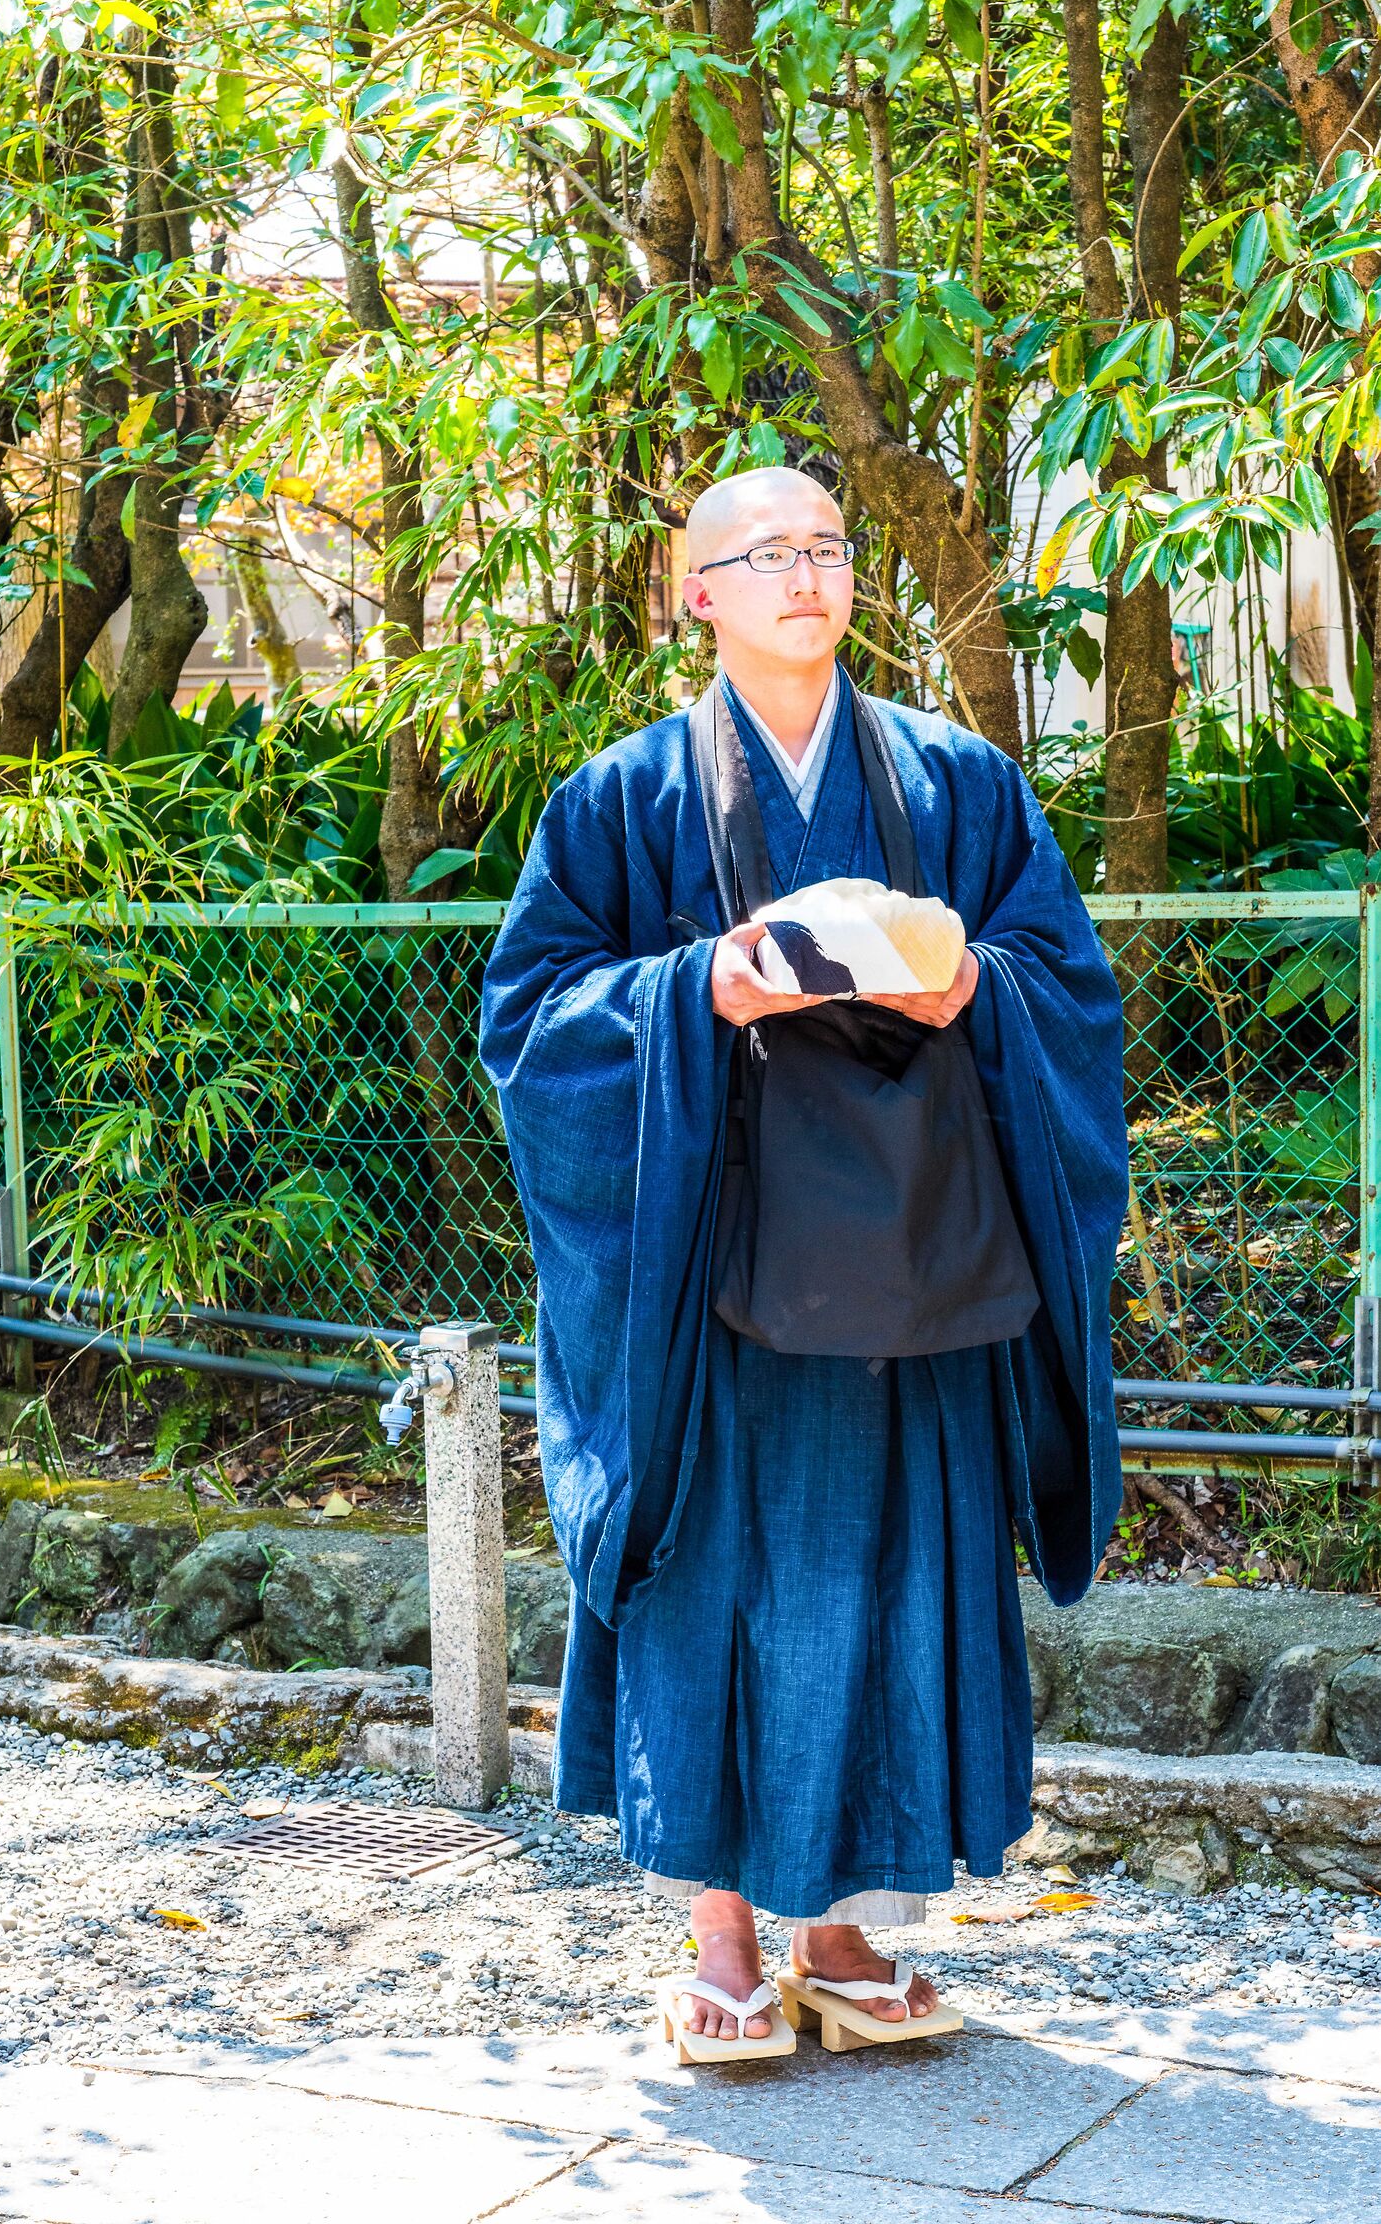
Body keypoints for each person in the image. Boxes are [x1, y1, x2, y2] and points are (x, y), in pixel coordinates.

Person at [480, 466, 1127, 2061]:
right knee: (714, 1574)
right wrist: (702, 988)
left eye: (825, 546)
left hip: (917, 1263)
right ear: (690, 592)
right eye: (758, 553)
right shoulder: (619, 798)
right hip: (713, 1280)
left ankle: (841, 1933)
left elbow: (1068, 987)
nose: (801, 574)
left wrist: (966, 979)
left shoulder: (961, 781)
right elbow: (528, 1020)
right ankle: (716, 1933)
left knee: (894, 1574)